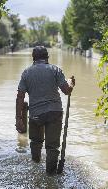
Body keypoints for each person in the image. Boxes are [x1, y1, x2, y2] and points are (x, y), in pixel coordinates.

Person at [15, 46, 75, 175]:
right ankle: (50, 176)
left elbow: (20, 96)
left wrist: (18, 119)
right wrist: (70, 83)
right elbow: (66, 91)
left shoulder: (26, 73)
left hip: (36, 114)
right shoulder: (55, 70)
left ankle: (35, 166)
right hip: (54, 113)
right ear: (47, 57)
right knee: (52, 147)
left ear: (33, 58)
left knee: (36, 142)